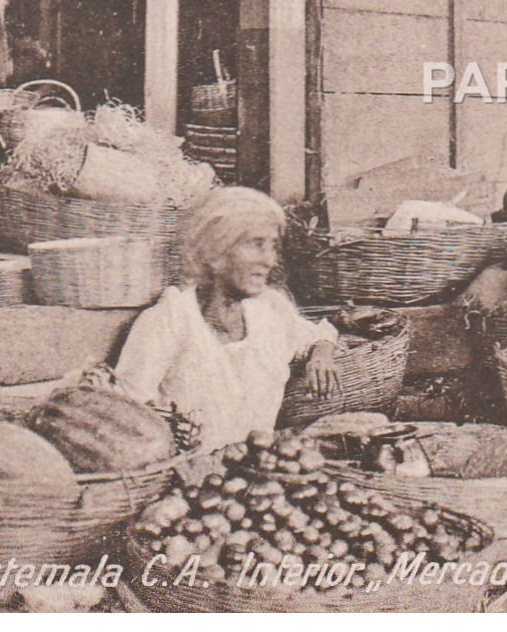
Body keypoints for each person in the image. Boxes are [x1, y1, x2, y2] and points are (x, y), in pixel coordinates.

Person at [115, 186, 340, 453]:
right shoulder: (170, 319)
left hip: (260, 478)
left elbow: (315, 335)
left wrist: (321, 355)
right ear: (216, 252)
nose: (269, 260)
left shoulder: (269, 309)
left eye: (272, 247)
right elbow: (124, 414)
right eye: (256, 245)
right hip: (186, 482)